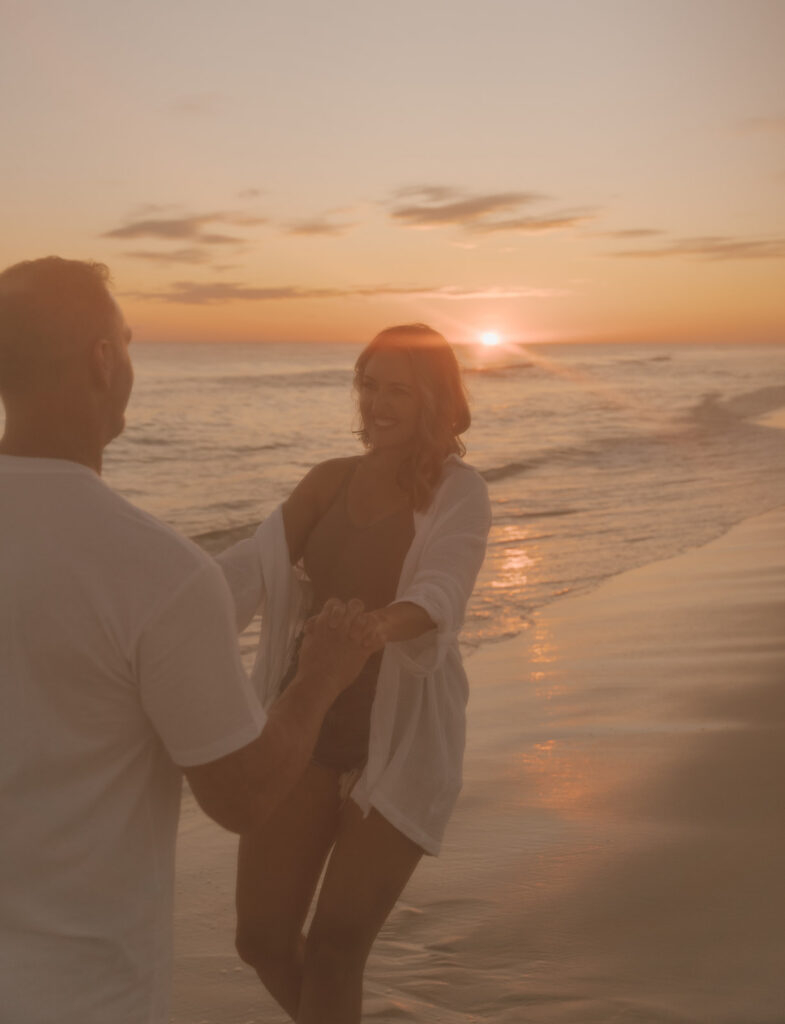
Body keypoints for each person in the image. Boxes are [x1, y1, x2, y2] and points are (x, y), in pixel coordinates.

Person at [0, 256, 377, 1024]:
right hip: (81, 994)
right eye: (127, 341)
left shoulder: (159, 577)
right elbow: (241, 795)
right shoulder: (153, 571)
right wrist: (321, 673)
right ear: (103, 361)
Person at [217, 323, 492, 1023]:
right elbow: (245, 573)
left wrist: (371, 630)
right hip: (304, 729)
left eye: (397, 389)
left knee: (338, 946)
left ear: (434, 397)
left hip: (398, 745)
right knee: (262, 939)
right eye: (368, 386)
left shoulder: (460, 492)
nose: (376, 404)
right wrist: (148, 603)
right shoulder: (326, 481)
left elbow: (440, 594)